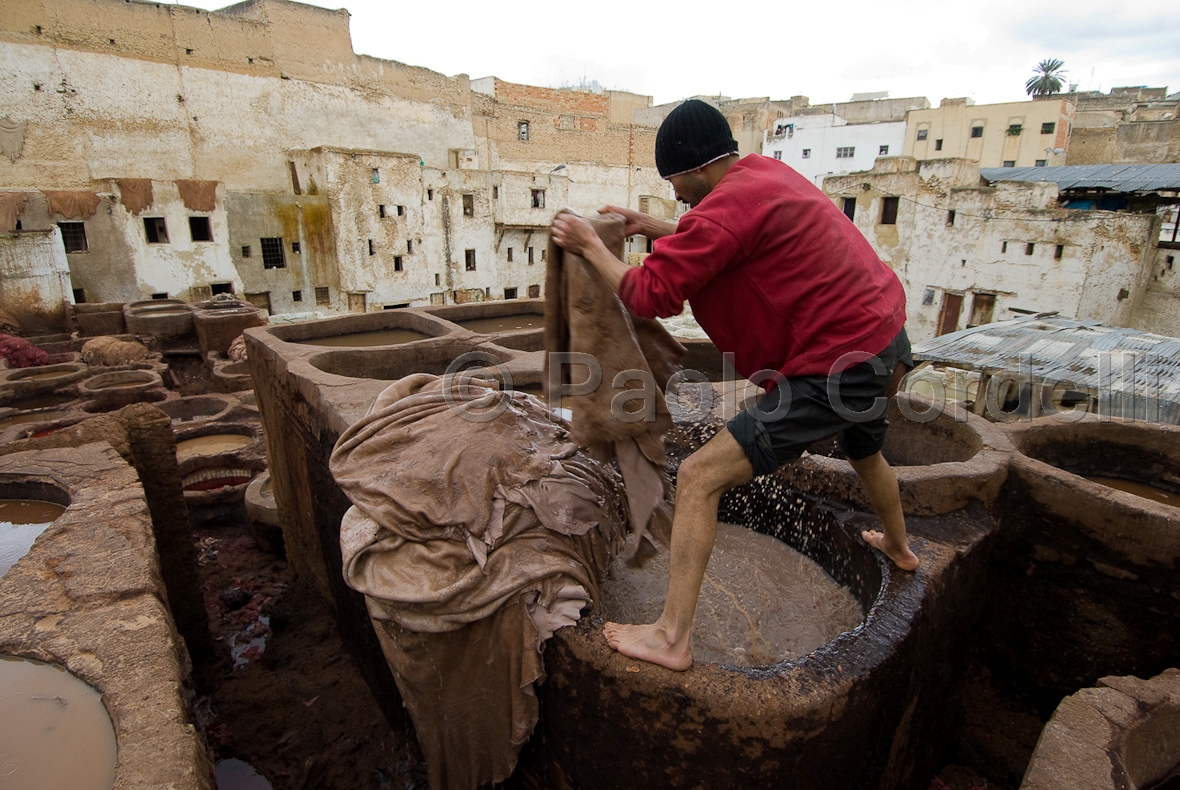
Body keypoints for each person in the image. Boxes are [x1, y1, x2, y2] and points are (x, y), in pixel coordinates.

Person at [549, 99, 919, 672]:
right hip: (883, 339)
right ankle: (899, 548)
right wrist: (653, 228)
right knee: (864, 448)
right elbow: (728, 238)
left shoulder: (718, 213)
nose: (674, 195)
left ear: (696, 168)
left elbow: (652, 294)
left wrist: (588, 245)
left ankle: (671, 637)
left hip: (833, 367)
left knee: (698, 476)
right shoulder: (764, 176)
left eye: (673, 181)